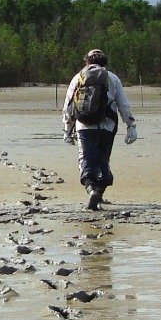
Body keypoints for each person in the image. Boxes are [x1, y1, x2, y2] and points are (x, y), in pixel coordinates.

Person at [62, 48, 137, 209]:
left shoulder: (79, 77)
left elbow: (69, 105)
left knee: (86, 159)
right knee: (103, 159)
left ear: (86, 61)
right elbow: (123, 104)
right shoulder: (112, 78)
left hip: (84, 125)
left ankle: (92, 191)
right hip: (107, 126)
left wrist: (67, 129)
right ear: (105, 62)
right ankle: (99, 192)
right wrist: (131, 126)